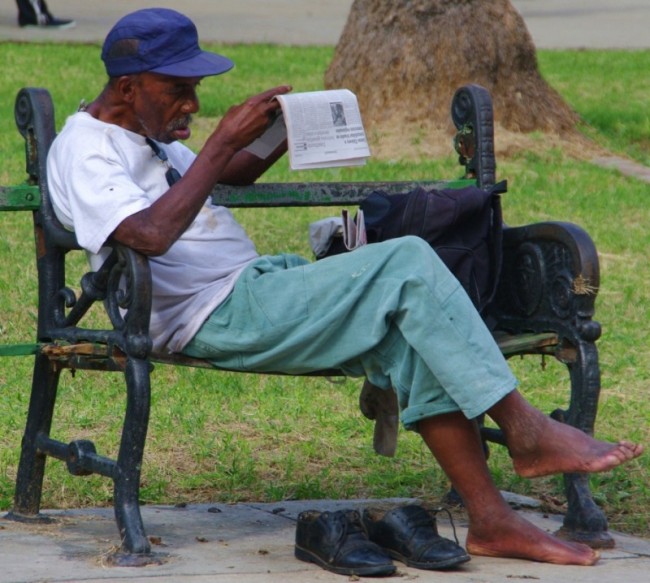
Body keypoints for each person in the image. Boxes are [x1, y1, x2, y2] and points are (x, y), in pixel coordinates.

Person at [46, 7, 643, 571]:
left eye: (196, 91)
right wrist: (223, 139)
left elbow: (223, 174)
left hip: (252, 287)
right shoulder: (86, 150)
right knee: (407, 260)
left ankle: (491, 520)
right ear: (128, 88)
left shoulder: (143, 135)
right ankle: (526, 430)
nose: (194, 103)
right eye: (179, 89)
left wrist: (276, 132)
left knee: (412, 334)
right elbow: (148, 234)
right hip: (210, 311)